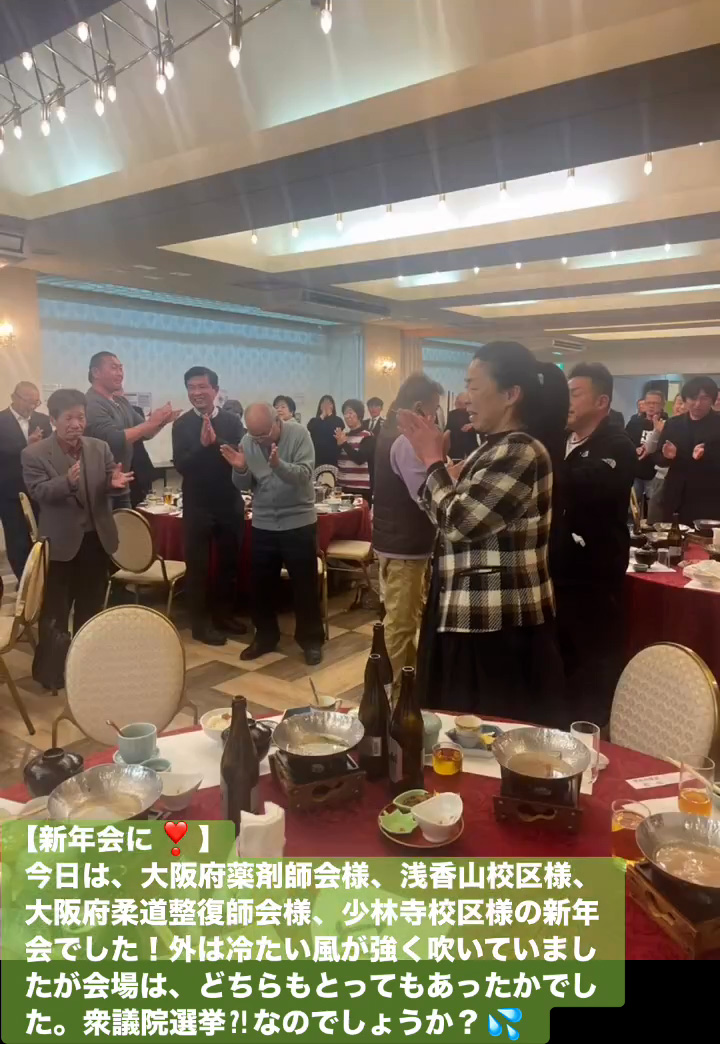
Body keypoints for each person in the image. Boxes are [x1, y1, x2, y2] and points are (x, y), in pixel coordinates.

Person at [398, 341, 566, 726]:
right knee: (455, 731)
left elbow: (459, 522)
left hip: (497, 622)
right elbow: (446, 513)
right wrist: (443, 475)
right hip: (467, 611)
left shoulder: (521, 451)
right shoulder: (490, 449)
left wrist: (432, 462)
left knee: (490, 733)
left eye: (474, 387)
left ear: (511, 394)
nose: (465, 398)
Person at [553, 363, 636, 726]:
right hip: (558, 572)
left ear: (602, 402)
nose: (566, 402)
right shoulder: (560, 441)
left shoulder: (617, 445)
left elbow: (579, 485)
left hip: (595, 576)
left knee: (593, 663)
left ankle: (593, 733)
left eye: (575, 394)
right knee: (562, 661)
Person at [22, 389, 133, 654]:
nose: (76, 424)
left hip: (96, 539)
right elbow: (38, 492)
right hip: (60, 544)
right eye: (69, 418)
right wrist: (66, 482)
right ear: (53, 420)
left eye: (81, 417)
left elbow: (110, 481)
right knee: (56, 610)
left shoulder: (99, 447)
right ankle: (52, 667)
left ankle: (86, 660)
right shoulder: (34, 453)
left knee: (92, 605)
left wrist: (115, 484)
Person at [221, 402, 324, 665]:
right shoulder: (248, 441)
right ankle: (265, 637)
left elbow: (304, 475)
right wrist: (240, 469)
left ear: (277, 421)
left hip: (298, 521)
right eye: (253, 435)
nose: (258, 441)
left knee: (304, 586)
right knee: (261, 586)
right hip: (264, 522)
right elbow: (243, 485)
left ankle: (311, 640)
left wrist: (278, 465)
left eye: (263, 435)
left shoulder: (299, 434)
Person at [373, 374, 443, 685]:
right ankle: (390, 695)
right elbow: (427, 497)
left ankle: (407, 688)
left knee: (401, 619)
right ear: (417, 407)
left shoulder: (389, 431)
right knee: (401, 625)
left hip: (394, 541)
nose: (434, 418)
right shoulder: (404, 441)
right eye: (433, 410)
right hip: (405, 547)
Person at [172, 367, 247, 645]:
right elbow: (182, 465)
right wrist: (202, 447)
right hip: (197, 504)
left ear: (215, 390)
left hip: (229, 501)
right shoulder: (181, 424)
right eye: (191, 388)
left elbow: (240, 454)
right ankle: (200, 625)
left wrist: (216, 442)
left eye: (202, 387)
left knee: (229, 563)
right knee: (198, 567)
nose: (197, 393)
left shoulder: (232, 421)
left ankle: (224, 616)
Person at [85, 352, 176, 508]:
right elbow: (113, 439)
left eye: (121, 368)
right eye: (114, 368)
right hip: (101, 486)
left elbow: (145, 434)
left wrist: (161, 422)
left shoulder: (120, 401)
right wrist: (151, 423)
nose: (120, 373)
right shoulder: (91, 403)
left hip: (123, 482)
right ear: (96, 372)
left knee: (128, 522)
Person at [0, 382, 52, 579]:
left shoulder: (42, 420)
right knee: (17, 539)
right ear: (14, 397)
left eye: (36, 402)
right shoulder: (1, 420)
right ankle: (25, 583)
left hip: (39, 489)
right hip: (9, 491)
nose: (31, 406)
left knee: (42, 537)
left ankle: (42, 580)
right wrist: (26, 446)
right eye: (28, 401)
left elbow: (51, 450)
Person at [655, 376, 720, 524]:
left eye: (704, 398)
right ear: (685, 399)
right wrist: (667, 456)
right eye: (693, 398)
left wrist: (706, 455)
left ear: (712, 400)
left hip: (709, 497)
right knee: (672, 535)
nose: (697, 404)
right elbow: (658, 458)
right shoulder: (673, 424)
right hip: (675, 495)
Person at [625, 387, 667, 511]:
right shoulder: (635, 422)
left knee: (654, 507)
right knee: (631, 507)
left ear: (662, 405)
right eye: (648, 403)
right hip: (636, 471)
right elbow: (626, 440)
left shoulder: (667, 424)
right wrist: (634, 449)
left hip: (655, 473)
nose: (651, 406)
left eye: (655, 403)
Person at [335, 399, 375, 503]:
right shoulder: (344, 436)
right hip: (342, 487)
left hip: (360, 489)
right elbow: (337, 460)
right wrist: (338, 446)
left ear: (359, 414)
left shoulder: (367, 436)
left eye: (350, 412)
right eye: (345, 413)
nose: (347, 416)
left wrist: (344, 444)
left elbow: (360, 459)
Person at [307, 395, 344, 467]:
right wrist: (323, 415)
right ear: (320, 406)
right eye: (324, 403)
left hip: (333, 457)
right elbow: (311, 428)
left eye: (329, 403)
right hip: (316, 458)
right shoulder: (314, 420)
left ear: (333, 406)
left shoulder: (338, 420)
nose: (326, 406)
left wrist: (330, 415)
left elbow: (336, 429)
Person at [443, 392, 479, 460]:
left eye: (466, 404)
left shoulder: (474, 414)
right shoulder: (453, 414)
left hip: (471, 451)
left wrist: (472, 425)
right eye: (459, 403)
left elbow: (482, 428)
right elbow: (448, 430)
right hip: (455, 451)